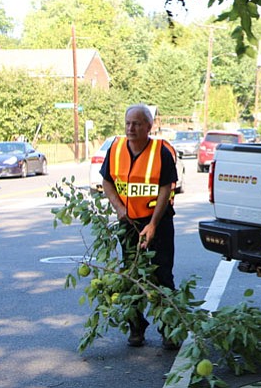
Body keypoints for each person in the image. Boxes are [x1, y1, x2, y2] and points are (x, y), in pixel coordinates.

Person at [100, 103, 179, 350]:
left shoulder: (161, 151)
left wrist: (153, 224)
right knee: (131, 276)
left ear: (148, 126)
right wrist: (119, 209)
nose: (131, 128)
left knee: (161, 275)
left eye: (136, 124)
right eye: (127, 123)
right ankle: (136, 327)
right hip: (129, 223)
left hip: (158, 223)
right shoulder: (114, 149)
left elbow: (167, 188)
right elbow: (107, 181)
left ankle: (169, 329)